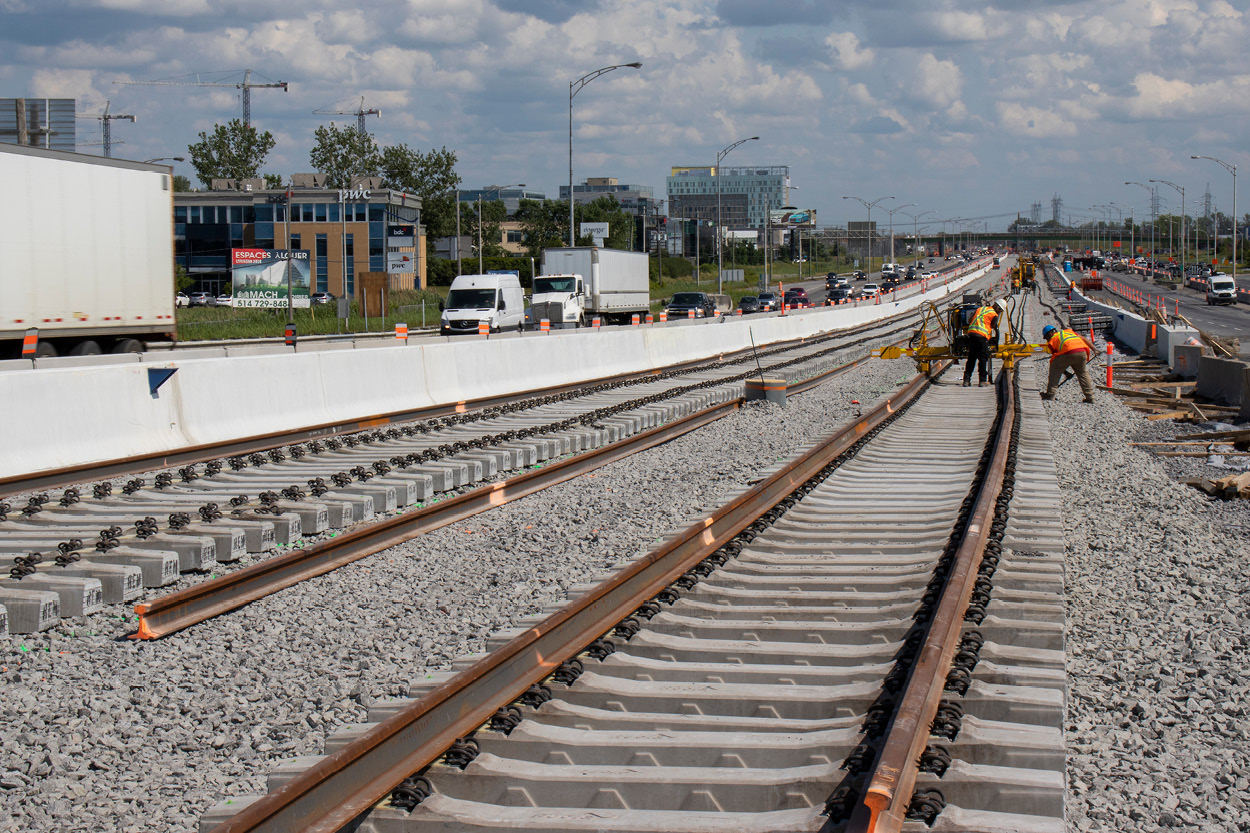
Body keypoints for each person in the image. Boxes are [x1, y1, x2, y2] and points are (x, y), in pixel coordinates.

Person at [1040, 324, 1095, 403]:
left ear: (1050, 334)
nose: (1047, 340)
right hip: (1082, 352)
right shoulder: (1069, 332)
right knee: (1082, 373)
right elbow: (1083, 338)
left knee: (1054, 367)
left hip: (1068, 352)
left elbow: (1058, 362)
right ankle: (1090, 397)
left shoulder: (1053, 341)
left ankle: (1050, 394)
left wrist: (1065, 372)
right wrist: (1094, 349)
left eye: (1046, 338)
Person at [962, 302, 998, 387]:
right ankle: (982, 381)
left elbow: (969, 320)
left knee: (971, 358)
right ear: (998, 308)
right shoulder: (994, 314)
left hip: (972, 334)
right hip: (982, 336)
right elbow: (993, 326)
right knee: (983, 358)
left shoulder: (980, 309)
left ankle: (966, 380)